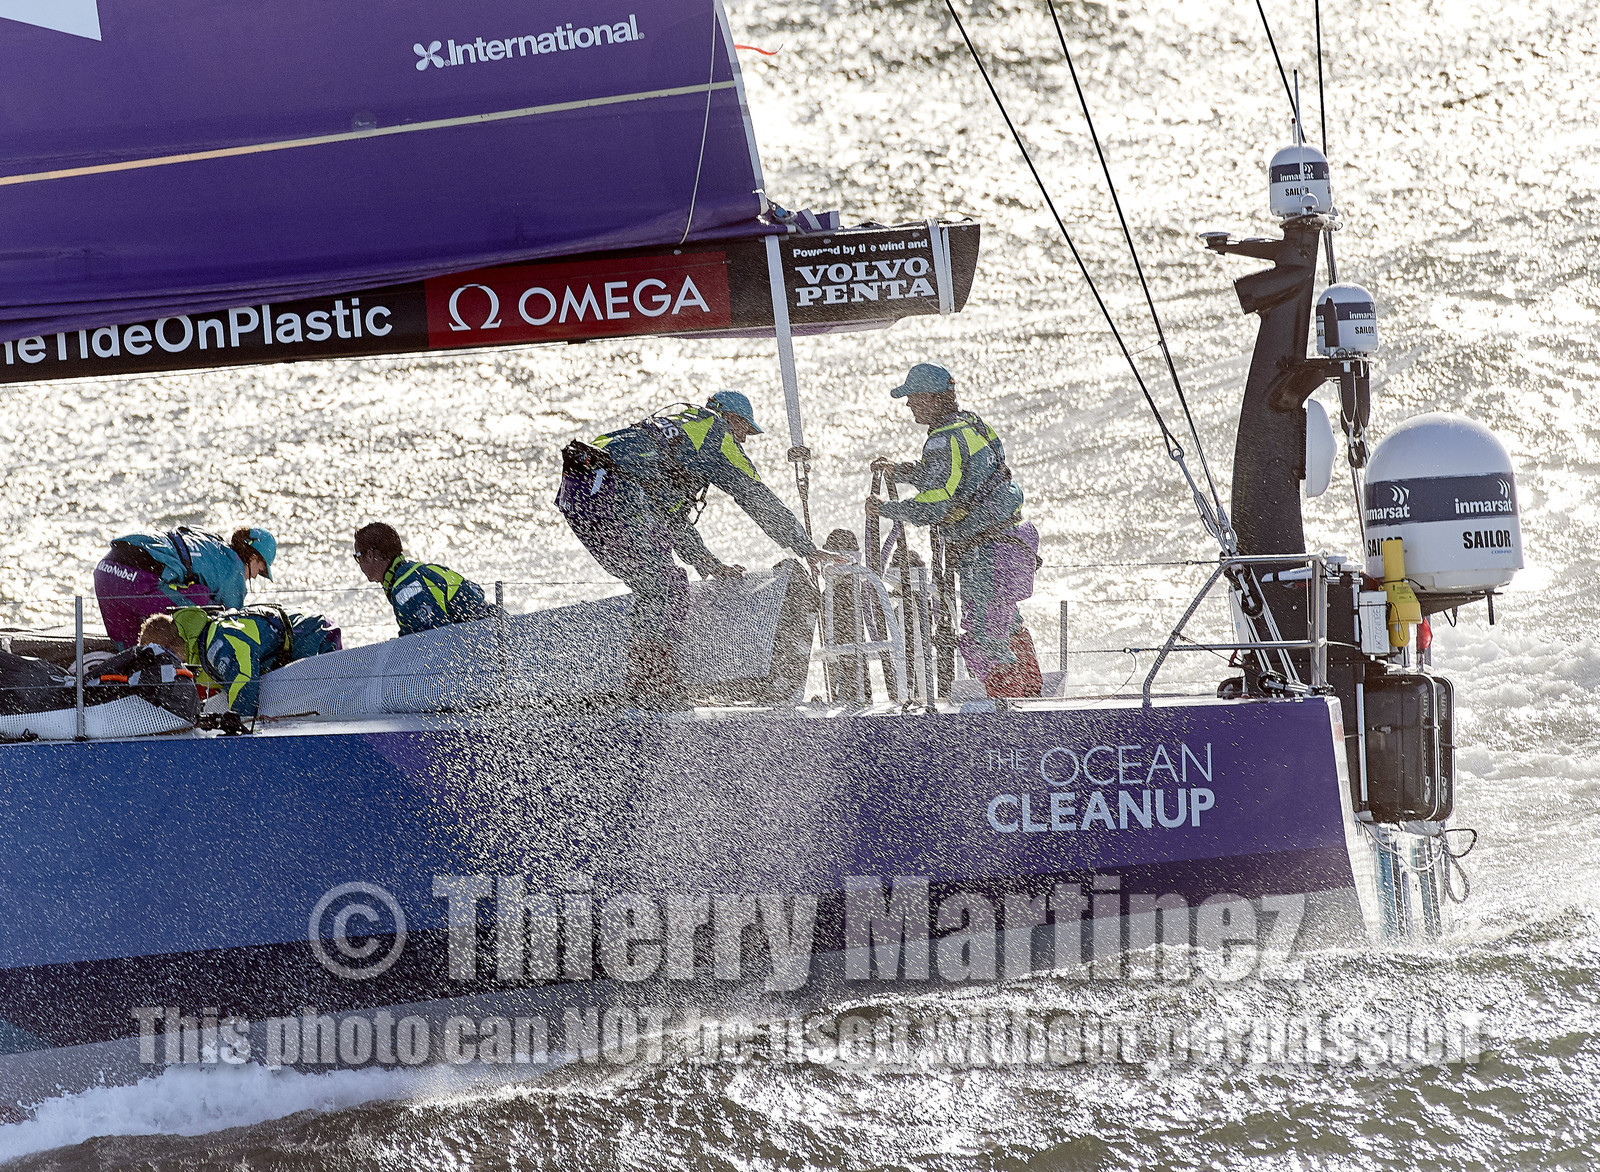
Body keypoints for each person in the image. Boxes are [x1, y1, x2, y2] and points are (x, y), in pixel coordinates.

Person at [557, 389, 841, 704]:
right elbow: (755, 495)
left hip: (577, 492)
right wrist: (805, 548)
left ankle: (644, 681)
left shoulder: (675, 435)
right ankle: (654, 684)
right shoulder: (714, 431)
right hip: (614, 487)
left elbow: (672, 520)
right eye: (745, 429)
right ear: (730, 417)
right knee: (664, 585)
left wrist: (709, 565)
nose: (744, 440)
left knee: (652, 582)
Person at [867, 363, 1044, 698]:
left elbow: (934, 506)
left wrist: (885, 508)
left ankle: (1010, 712)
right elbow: (960, 477)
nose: (908, 405)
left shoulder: (941, 441)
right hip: (1016, 539)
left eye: (913, 397)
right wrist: (901, 472)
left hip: (988, 551)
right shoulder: (972, 424)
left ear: (934, 398)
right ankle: (1032, 696)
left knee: (983, 638)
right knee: (1007, 623)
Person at [93, 526, 276, 649]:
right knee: (205, 607)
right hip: (139, 577)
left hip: (106, 569)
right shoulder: (234, 570)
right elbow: (235, 625)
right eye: (258, 572)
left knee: (128, 647)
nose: (252, 577)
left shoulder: (208, 539)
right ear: (252, 558)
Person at [172, 604, 341, 717]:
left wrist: (242, 721)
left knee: (333, 705)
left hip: (319, 637)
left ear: (173, 649)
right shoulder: (201, 641)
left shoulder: (218, 642)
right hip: (302, 640)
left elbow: (244, 676)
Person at [352, 522, 496, 636]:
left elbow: (437, 639)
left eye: (358, 557)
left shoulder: (406, 589)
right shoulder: (415, 571)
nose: (359, 564)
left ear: (370, 555)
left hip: (488, 638)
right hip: (497, 627)